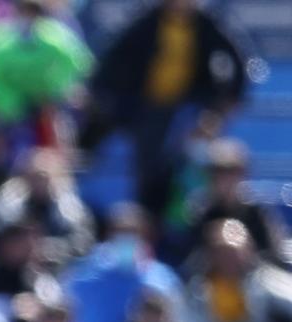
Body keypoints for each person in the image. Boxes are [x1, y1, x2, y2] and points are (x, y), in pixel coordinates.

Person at [86, 0, 256, 219]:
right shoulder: (146, 21)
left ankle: (188, 220)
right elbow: (110, 64)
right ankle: (151, 218)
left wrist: (226, 104)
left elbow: (238, 60)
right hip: (148, 109)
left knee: (189, 164)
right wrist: (112, 103)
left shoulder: (206, 23)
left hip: (189, 106)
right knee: (151, 169)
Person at [0, 0, 92, 151]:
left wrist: (56, 90)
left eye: (33, 12)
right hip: (11, 113)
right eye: (24, 11)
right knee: (15, 145)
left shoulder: (55, 37)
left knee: (59, 137)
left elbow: (79, 62)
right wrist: (11, 104)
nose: (28, 18)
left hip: (46, 107)